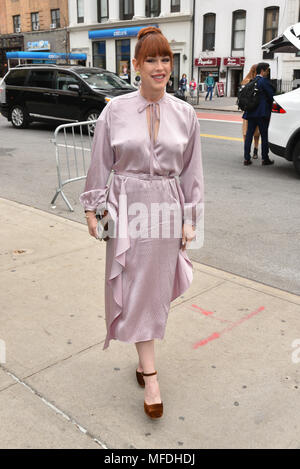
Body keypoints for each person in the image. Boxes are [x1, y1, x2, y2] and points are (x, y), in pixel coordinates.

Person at [79, 27, 204, 420]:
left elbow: (192, 173)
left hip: (166, 209)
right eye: (151, 59)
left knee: (152, 294)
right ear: (135, 65)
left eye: (165, 59)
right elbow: (99, 164)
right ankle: (150, 376)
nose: (160, 66)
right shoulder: (114, 110)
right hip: (126, 209)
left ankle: (142, 357)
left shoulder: (185, 114)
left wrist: (190, 219)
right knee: (134, 291)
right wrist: (95, 212)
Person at [243, 62, 275, 166]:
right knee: (264, 136)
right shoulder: (264, 82)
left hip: (250, 112)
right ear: (262, 71)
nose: (268, 72)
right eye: (267, 70)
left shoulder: (251, 81)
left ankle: (247, 158)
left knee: (249, 135)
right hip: (262, 113)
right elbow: (271, 96)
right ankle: (265, 158)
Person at [240, 64, 260, 159]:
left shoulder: (245, 81)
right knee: (256, 132)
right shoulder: (258, 81)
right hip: (256, 110)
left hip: (247, 110)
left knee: (246, 132)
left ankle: (246, 151)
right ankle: (255, 150)